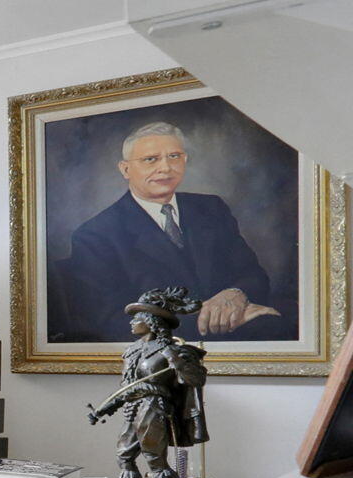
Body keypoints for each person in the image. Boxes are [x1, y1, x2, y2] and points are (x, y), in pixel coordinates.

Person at [55, 120, 287, 342]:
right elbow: (110, 323)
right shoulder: (95, 235)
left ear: (185, 160)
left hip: (241, 341)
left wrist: (235, 294)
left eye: (174, 156)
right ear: (125, 169)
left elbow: (253, 275)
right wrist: (210, 318)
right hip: (162, 353)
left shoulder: (211, 209)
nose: (165, 168)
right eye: (150, 159)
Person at [87, 287, 209, 478]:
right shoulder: (132, 351)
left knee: (154, 458)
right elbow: (126, 388)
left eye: (138, 318)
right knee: (124, 455)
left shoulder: (171, 350)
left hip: (154, 407)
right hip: (133, 407)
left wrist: (179, 363)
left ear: (152, 322)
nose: (132, 323)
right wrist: (102, 410)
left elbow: (196, 380)